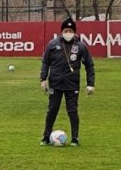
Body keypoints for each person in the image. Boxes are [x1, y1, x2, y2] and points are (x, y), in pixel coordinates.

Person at [39, 17, 95, 146]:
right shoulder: (53, 44)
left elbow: (89, 65)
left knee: (72, 111)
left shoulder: (81, 46)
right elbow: (45, 62)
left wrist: (90, 84)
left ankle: (75, 138)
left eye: (70, 30)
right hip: (55, 83)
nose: (68, 33)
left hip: (72, 84)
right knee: (52, 110)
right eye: (66, 30)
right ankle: (46, 137)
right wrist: (43, 79)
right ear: (61, 31)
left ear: (74, 32)